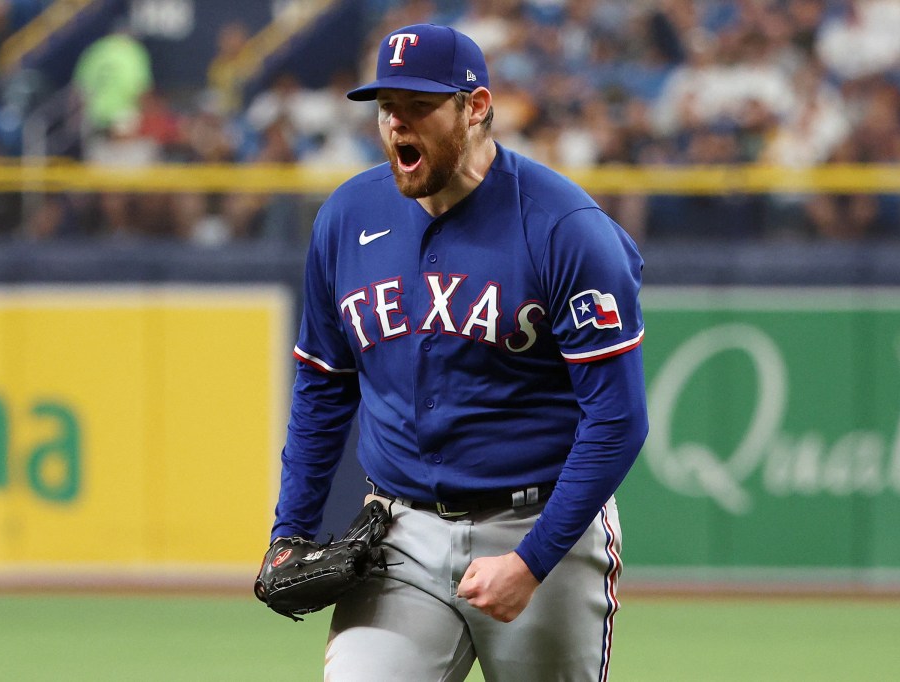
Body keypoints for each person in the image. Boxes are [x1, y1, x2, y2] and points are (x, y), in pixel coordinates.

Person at [266, 23, 648, 681]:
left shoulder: (566, 229)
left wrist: (532, 561)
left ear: (475, 108)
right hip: (397, 534)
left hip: (539, 526)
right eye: (387, 108)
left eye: (419, 106)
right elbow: (325, 383)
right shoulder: (347, 217)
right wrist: (290, 533)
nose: (396, 125)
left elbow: (617, 420)